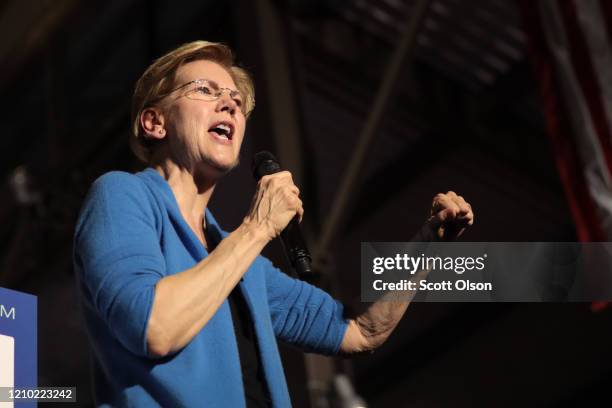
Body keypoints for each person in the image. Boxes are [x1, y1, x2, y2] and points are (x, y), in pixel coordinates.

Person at [73, 40, 474, 407]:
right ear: (154, 123)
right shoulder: (121, 195)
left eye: (235, 99)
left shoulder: (244, 265)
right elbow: (154, 327)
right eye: (205, 90)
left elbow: (361, 331)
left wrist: (429, 245)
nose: (229, 104)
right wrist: (258, 228)